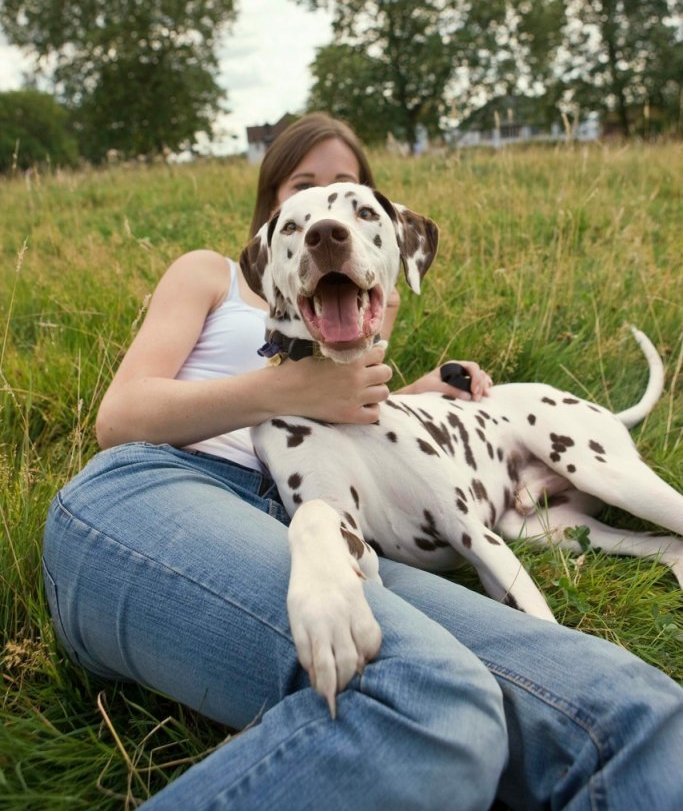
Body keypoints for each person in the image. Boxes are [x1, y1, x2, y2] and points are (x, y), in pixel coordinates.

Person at [43, 113, 683, 811]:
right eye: (303, 190)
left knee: (631, 711)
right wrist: (286, 388)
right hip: (164, 490)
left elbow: (352, 436)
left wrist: (412, 394)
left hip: (320, 521)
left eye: (347, 193)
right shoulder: (212, 275)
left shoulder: (355, 307)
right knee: (433, 702)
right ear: (274, 220)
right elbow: (118, 416)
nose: (327, 218)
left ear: (382, 231)